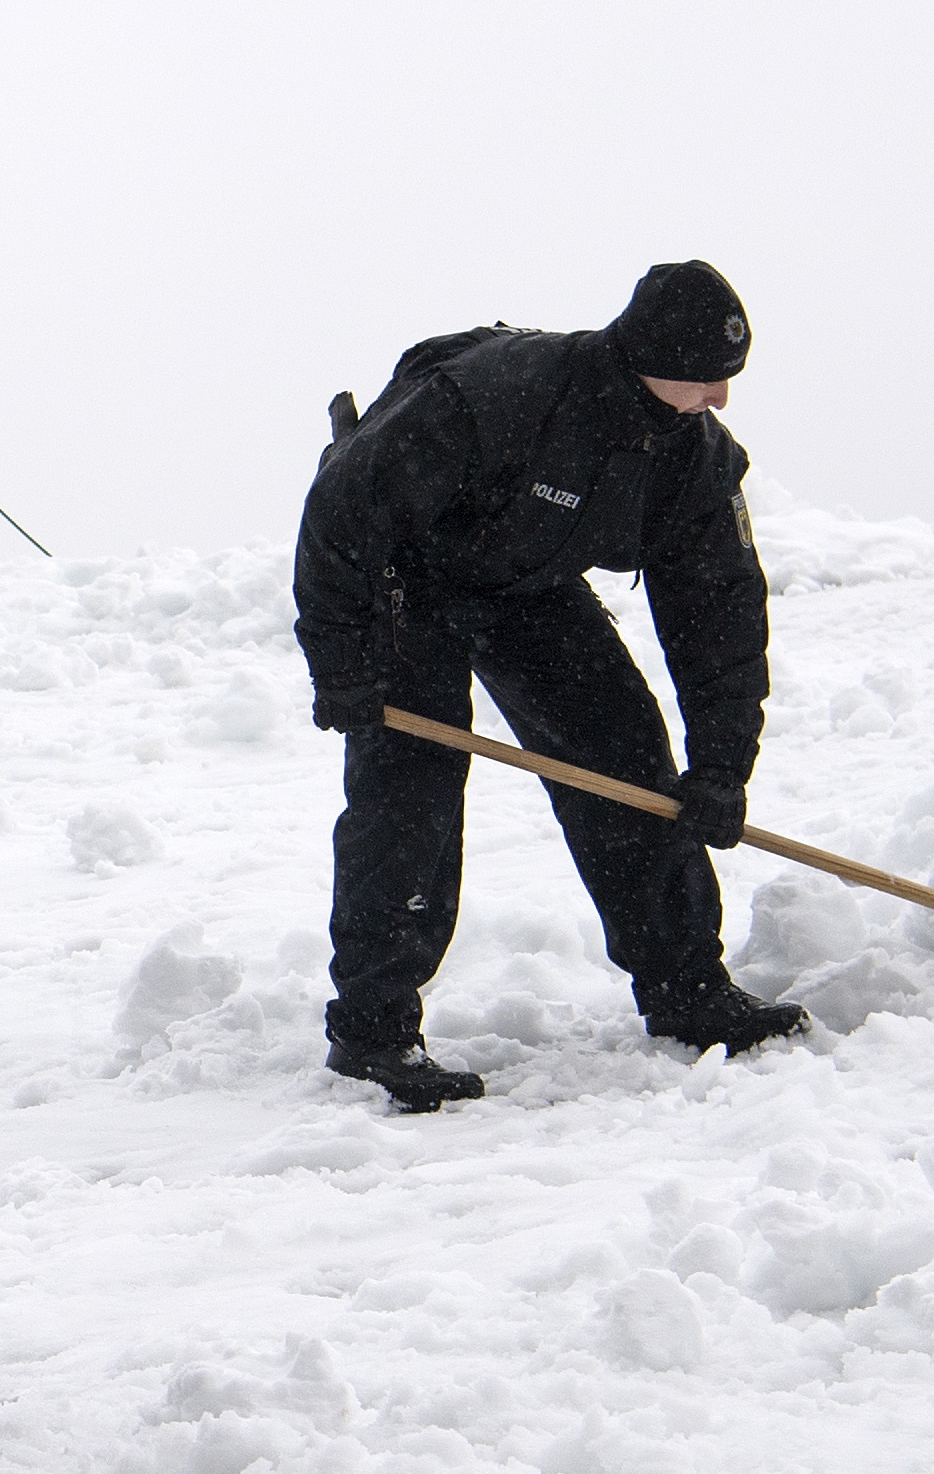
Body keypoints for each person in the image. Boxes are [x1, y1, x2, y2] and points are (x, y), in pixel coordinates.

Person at [289, 260, 811, 1112]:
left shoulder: (692, 462)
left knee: (625, 759)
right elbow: (345, 509)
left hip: (525, 586)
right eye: (708, 378)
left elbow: (720, 617)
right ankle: (373, 1029)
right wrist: (340, 663)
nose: (720, 398)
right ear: (650, 356)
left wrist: (721, 767)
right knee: (409, 781)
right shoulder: (497, 393)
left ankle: (687, 990)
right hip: (405, 575)